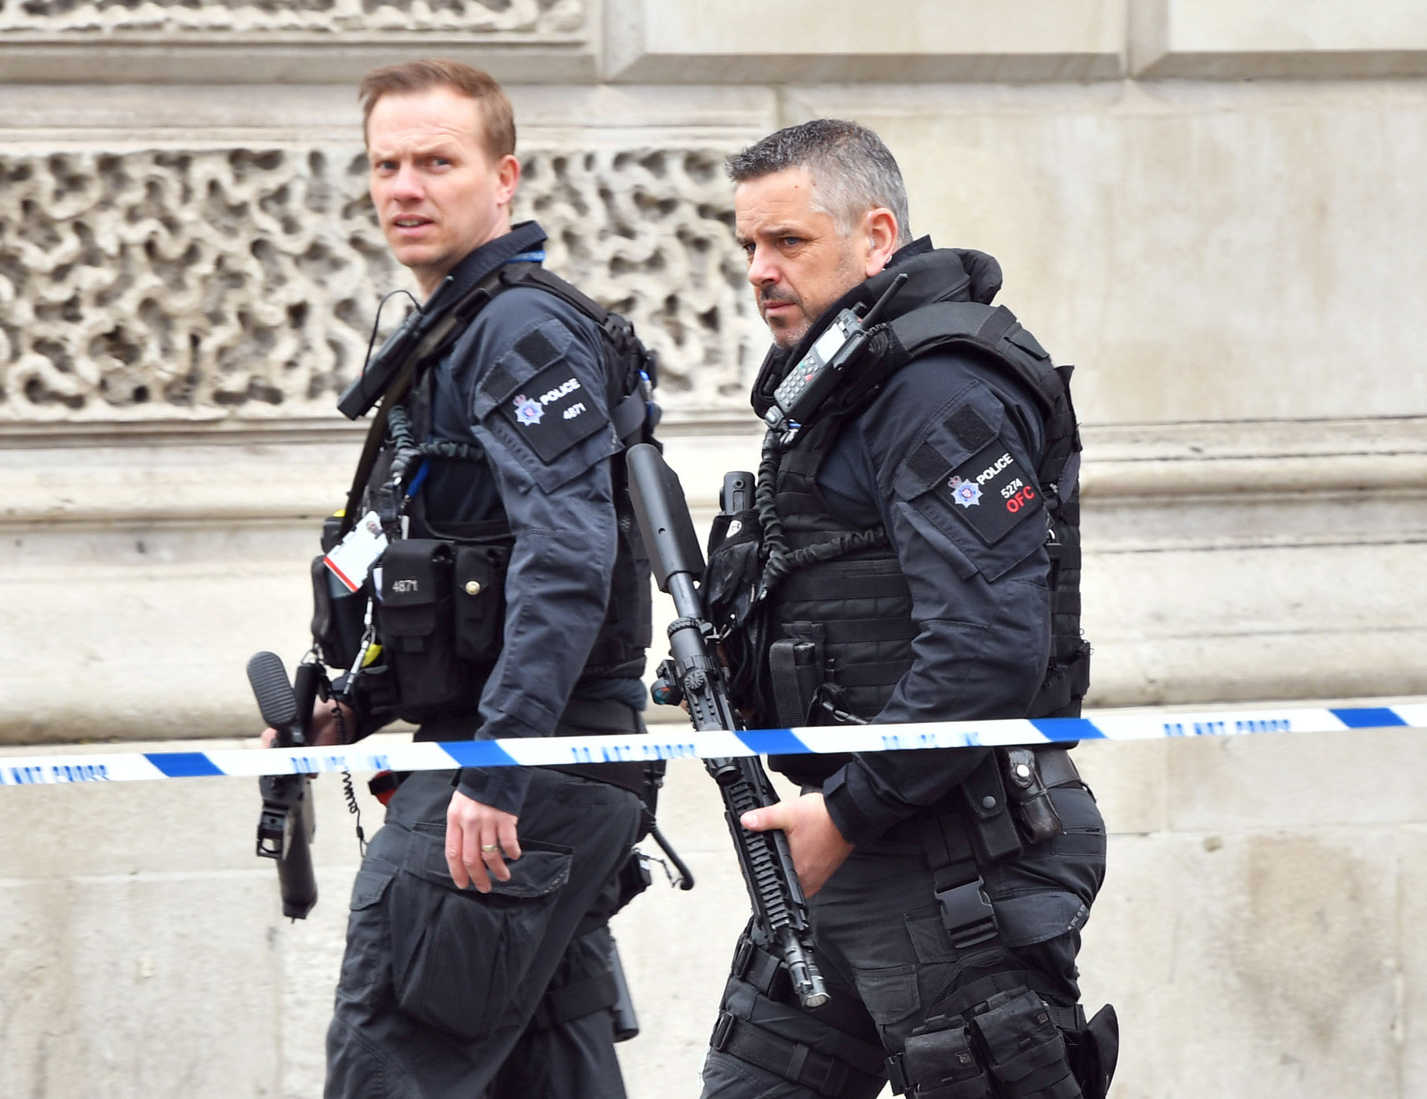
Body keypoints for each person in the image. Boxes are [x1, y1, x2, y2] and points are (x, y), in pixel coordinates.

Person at [694, 120, 1117, 1098]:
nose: (759, 269)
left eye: (788, 242)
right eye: (747, 246)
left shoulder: (934, 390)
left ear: (876, 235)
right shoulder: (847, 389)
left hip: (953, 850)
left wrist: (845, 811)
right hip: (851, 845)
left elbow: (987, 649)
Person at [277, 59, 662, 1099]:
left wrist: (497, 760)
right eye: (385, 164)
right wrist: (353, 706)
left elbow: (567, 554)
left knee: (389, 1065)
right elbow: (450, 561)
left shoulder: (517, 333)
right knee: (548, 1072)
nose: (405, 186)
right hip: (527, 761)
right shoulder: (453, 330)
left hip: (519, 772)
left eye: (436, 161)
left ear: (505, 178)